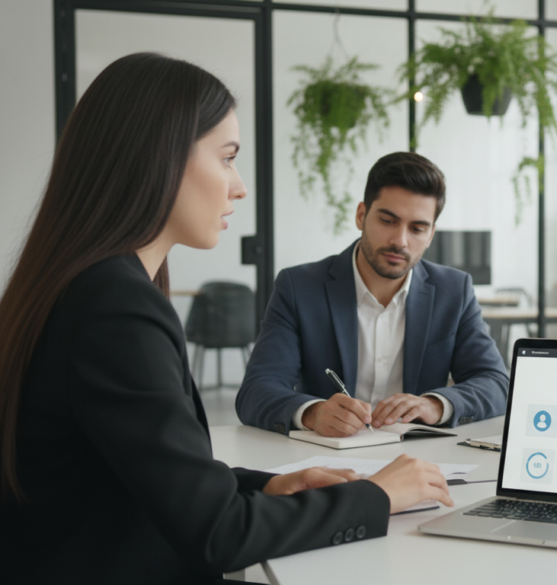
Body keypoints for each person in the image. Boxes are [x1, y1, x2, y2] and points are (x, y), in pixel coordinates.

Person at [0, 53, 453, 584]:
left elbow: (146, 473)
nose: (239, 186)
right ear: (159, 156)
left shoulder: (85, 283)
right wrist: (376, 495)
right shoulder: (116, 307)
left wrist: (266, 486)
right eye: (227, 158)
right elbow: (220, 534)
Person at [235, 152, 508, 437]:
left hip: (419, 455)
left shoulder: (454, 290)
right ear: (361, 215)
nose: (400, 241)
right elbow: (256, 390)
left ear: (430, 235)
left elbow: (496, 383)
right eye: (388, 221)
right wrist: (313, 413)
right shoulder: (299, 287)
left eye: (417, 229)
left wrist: (436, 405)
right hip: (329, 454)